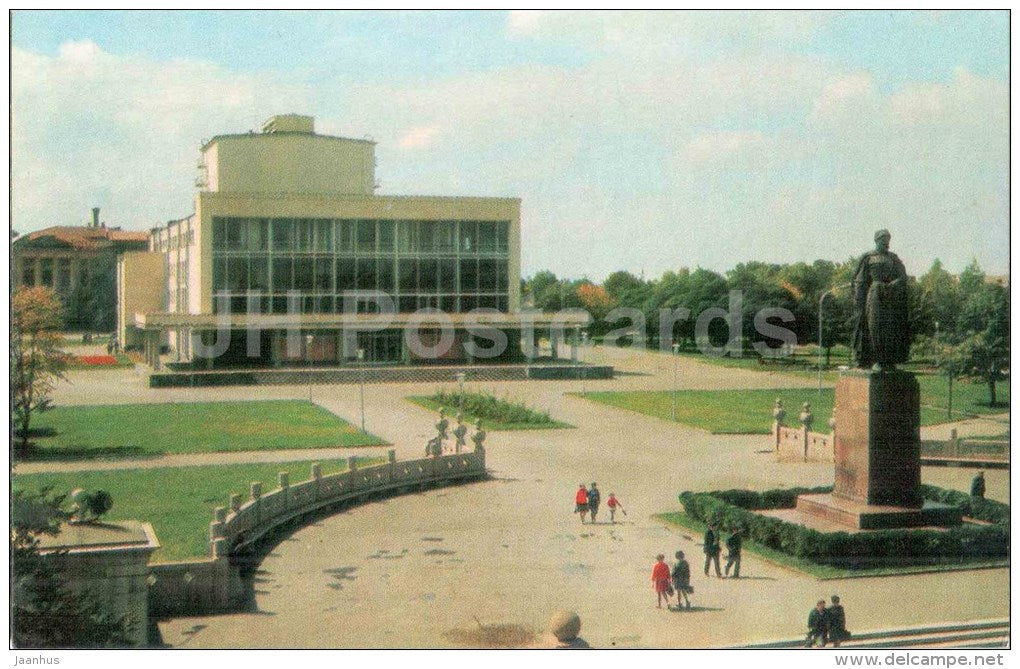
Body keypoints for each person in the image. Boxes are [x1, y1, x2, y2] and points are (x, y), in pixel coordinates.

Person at [851, 229, 911, 371]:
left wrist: (896, 283)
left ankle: (888, 360)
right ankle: (874, 359)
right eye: (883, 240)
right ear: (876, 240)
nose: (886, 243)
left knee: (890, 329)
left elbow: (903, 277)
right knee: (874, 328)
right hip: (875, 296)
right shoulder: (868, 257)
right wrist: (859, 302)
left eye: (888, 240)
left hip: (891, 297)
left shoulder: (893, 258)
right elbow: (860, 281)